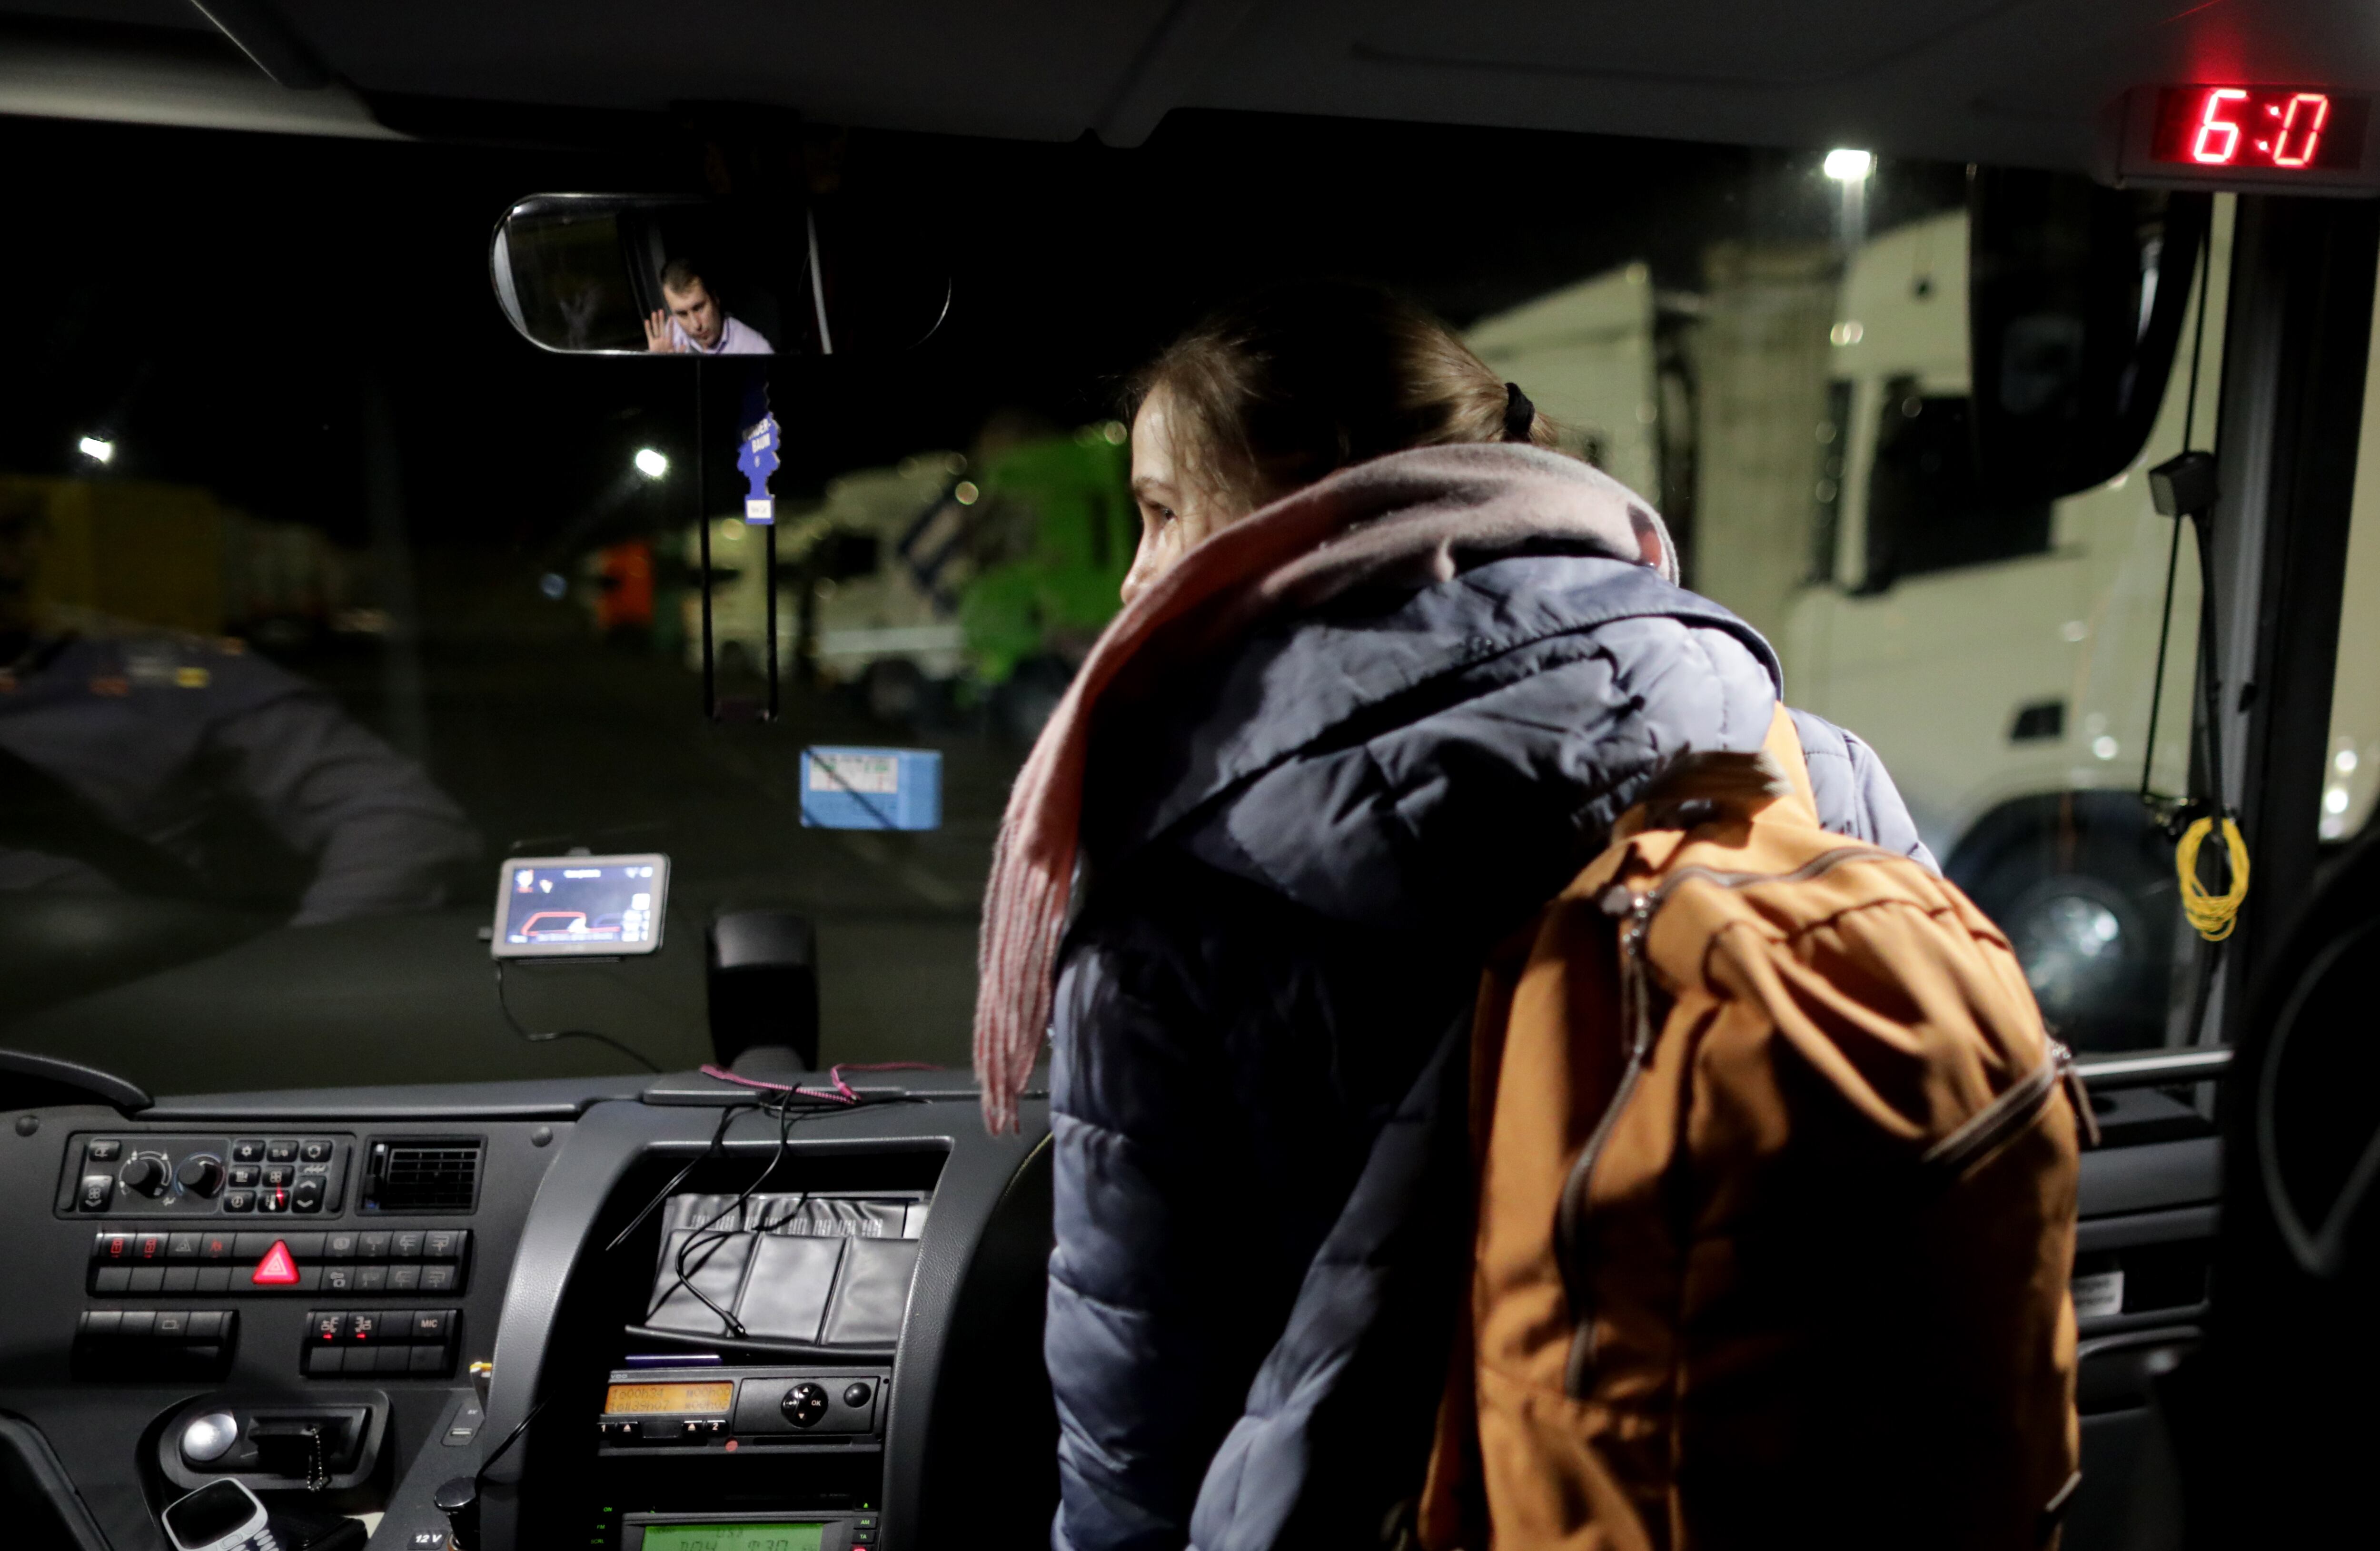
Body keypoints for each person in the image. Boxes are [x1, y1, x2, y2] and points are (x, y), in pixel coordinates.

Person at [968, 281, 1934, 1550]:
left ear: (1302, 503)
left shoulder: (1187, 879)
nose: (1137, 571)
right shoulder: (1808, 771)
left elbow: (1140, 1394)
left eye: (1161, 512)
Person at [0, 486, 480, 925]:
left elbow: (400, 817)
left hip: (122, 982)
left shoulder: (161, 672)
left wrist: (290, 971)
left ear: (20, 549)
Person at [643, 259, 774, 356]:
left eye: (699, 308)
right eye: (682, 314)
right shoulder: (669, 340)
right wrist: (661, 372)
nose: (696, 325)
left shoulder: (757, 350)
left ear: (715, 298)